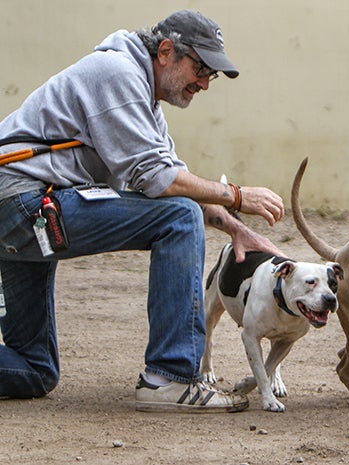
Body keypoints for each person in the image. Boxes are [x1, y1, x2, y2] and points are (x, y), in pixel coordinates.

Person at [0, 10, 285, 412]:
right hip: (23, 203)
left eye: (211, 75)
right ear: (166, 51)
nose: (204, 83)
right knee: (180, 218)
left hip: (27, 210)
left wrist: (234, 227)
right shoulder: (116, 73)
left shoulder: (141, 95)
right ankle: (169, 377)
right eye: (200, 68)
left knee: (34, 369)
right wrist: (236, 195)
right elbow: (159, 181)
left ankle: (162, 377)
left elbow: (171, 173)